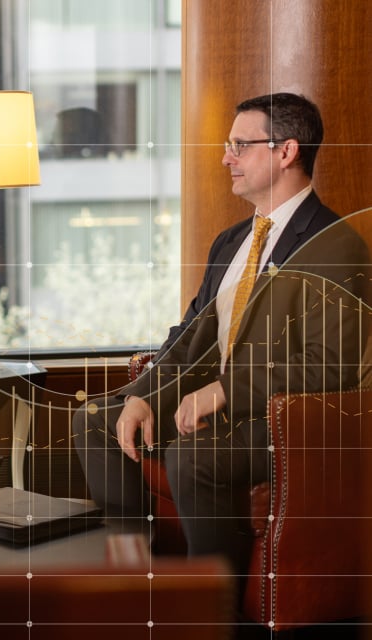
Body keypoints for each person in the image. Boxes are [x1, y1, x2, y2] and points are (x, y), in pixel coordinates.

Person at [72, 93, 370, 580]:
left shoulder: (335, 246)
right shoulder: (231, 241)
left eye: (240, 145)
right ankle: (136, 578)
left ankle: (211, 605)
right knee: (95, 420)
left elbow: (330, 366)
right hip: (213, 406)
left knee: (194, 456)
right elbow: (188, 335)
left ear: (286, 151)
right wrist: (143, 395)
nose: (226, 158)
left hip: (278, 420)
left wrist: (226, 389)